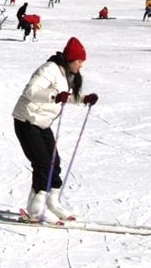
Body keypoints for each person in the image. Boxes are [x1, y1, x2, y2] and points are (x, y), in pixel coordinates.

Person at [11, 37, 97, 222]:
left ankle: (52, 202)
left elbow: (66, 96)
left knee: (54, 163)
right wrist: (55, 96)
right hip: (27, 119)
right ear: (70, 59)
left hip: (42, 123)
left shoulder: (66, 74)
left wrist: (83, 99)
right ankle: (35, 210)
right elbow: (31, 91)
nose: (81, 65)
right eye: (79, 61)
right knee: (42, 163)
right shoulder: (49, 69)